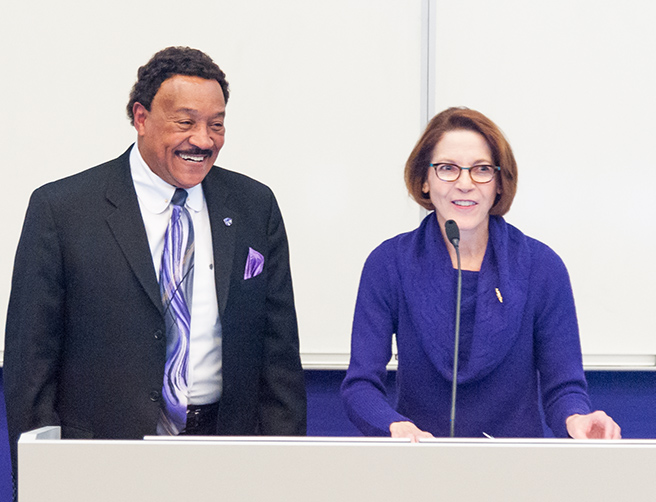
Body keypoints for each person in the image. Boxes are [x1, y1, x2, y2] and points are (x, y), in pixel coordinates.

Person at [4, 46, 307, 475]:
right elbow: (30, 362)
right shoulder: (63, 210)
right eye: (185, 122)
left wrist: (287, 470)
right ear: (141, 118)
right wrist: (40, 475)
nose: (203, 140)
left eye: (216, 125)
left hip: (226, 453)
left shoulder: (254, 206)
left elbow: (278, 357)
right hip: (102, 459)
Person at [341, 107, 620, 441]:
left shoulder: (542, 267)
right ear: (424, 181)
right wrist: (392, 425)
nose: (464, 184)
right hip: (419, 466)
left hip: (517, 475)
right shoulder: (389, 263)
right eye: (447, 169)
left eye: (481, 170)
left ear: (499, 183)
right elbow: (361, 385)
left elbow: (563, 388)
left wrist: (577, 418)